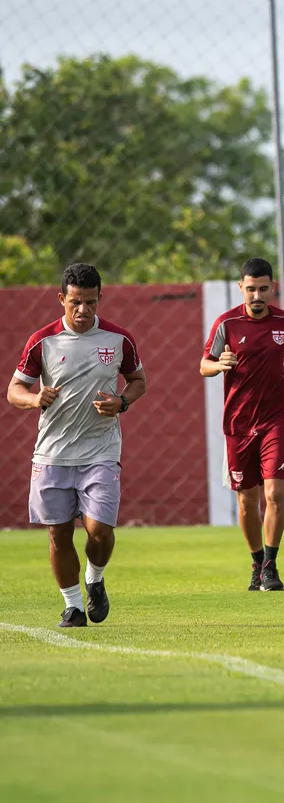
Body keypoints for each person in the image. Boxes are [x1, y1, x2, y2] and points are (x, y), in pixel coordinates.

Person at [7, 263, 146, 628]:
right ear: (61, 300)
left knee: (100, 530)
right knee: (59, 533)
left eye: (89, 302)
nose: (82, 310)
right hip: (52, 452)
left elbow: (137, 380)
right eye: (74, 302)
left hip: (100, 449)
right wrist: (35, 398)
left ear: (100, 298)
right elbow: (14, 391)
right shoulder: (43, 341)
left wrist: (122, 402)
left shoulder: (119, 339)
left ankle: (95, 578)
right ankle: (71, 606)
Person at [201, 257, 284, 592]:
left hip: (276, 418)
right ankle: (257, 561)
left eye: (263, 289)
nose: (257, 295)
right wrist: (219, 364)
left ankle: (272, 566)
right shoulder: (226, 323)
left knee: (275, 492)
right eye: (251, 289)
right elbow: (204, 364)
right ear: (241, 288)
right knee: (247, 499)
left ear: (272, 287)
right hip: (238, 423)